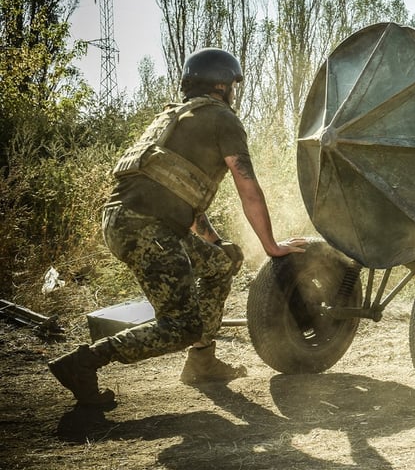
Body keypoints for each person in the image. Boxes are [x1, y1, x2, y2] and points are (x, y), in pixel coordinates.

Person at [48, 48, 307, 406]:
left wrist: (215, 242)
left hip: (129, 221)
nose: (234, 92)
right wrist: (271, 246)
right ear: (222, 85)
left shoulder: (175, 117)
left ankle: (202, 362)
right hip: (146, 228)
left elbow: (179, 192)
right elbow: (248, 187)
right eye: (233, 85)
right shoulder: (222, 118)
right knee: (181, 326)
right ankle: (85, 362)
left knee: (222, 262)